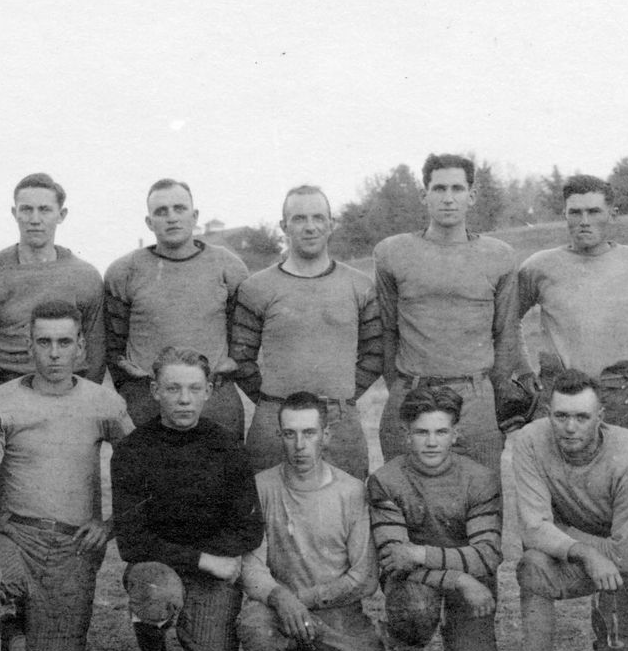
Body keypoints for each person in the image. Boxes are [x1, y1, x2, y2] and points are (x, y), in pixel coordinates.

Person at [0, 302, 132, 651]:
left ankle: (20, 638)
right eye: (44, 342)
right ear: (29, 346)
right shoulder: (1, 401)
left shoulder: (104, 402)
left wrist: (110, 524)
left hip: (73, 546)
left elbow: (142, 471)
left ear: (81, 347)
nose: (54, 353)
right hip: (14, 536)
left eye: (64, 342)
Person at [485, 369, 628, 651]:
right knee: (533, 564)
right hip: (576, 555)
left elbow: (624, 554)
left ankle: (624, 648)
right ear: (549, 412)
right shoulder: (531, 440)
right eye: (561, 416)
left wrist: (562, 534)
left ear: (601, 417)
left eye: (582, 417)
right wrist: (584, 551)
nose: (570, 427)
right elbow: (533, 530)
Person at [108, 349, 263, 651]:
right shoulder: (132, 450)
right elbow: (131, 540)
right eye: (173, 388)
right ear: (154, 390)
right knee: (154, 586)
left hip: (212, 576)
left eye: (194, 388)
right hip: (161, 569)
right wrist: (202, 558)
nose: (184, 399)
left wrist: (210, 563)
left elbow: (249, 527)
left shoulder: (228, 447)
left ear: (209, 390)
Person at [244, 391, 393, 651]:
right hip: (282, 612)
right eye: (290, 434)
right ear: (280, 435)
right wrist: (280, 597)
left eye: (309, 433)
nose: (299, 445)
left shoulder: (351, 491)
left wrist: (303, 598)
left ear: (325, 436)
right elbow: (251, 564)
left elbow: (364, 577)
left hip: (338, 612)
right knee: (254, 624)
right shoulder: (262, 486)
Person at [372, 153, 523, 470]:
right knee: (406, 498)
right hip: (412, 390)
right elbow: (387, 330)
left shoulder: (498, 256)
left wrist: (488, 393)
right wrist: (401, 386)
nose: (449, 199)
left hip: (474, 396)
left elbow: (506, 332)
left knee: (480, 498)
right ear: (423, 195)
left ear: (473, 195)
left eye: (457, 189)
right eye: (439, 189)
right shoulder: (392, 253)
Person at [225, 185, 383, 474]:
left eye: (318, 218)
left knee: (344, 509)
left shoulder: (359, 285)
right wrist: (274, 402)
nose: (310, 227)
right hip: (275, 424)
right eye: (299, 219)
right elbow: (240, 357)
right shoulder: (256, 288)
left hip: (339, 424)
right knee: (270, 510)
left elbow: (375, 354)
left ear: (331, 224)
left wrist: (339, 399)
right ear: (284, 226)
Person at [366, 383, 503, 651]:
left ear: (455, 434)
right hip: (419, 585)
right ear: (406, 434)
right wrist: (459, 579)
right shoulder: (386, 480)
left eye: (441, 431)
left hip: (467, 581)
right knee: (415, 608)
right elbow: (393, 558)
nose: (431, 442)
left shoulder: (480, 479)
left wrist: (420, 553)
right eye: (421, 432)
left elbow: (488, 553)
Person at [513, 175, 628, 435]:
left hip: (618, 391)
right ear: (564, 214)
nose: (584, 221)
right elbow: (507, 320)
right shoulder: (539, 266)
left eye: (594, 212)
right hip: (559, 391)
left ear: (612, 214)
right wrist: (524, 371)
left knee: (621, 467)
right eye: (575, 212)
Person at [104, 180, 249, 447]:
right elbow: (113, 344)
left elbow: (243, 331)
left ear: (194, 217)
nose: (171, 217)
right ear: (149, 222)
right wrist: (130, 385)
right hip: (149, 400)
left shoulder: (227, 266)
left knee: (220, 481)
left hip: (212, 398)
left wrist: (233, 363)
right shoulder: (124, 271)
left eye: (179, 208)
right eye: (161, 211)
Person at [0, 173, 108, 393]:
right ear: (15, 213)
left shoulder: (84, 276)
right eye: (26, 209)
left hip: (70, 393)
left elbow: (96, 358)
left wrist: (78, 403)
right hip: (9, 391)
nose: (34, 219)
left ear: (61, 215)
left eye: (44, 210)